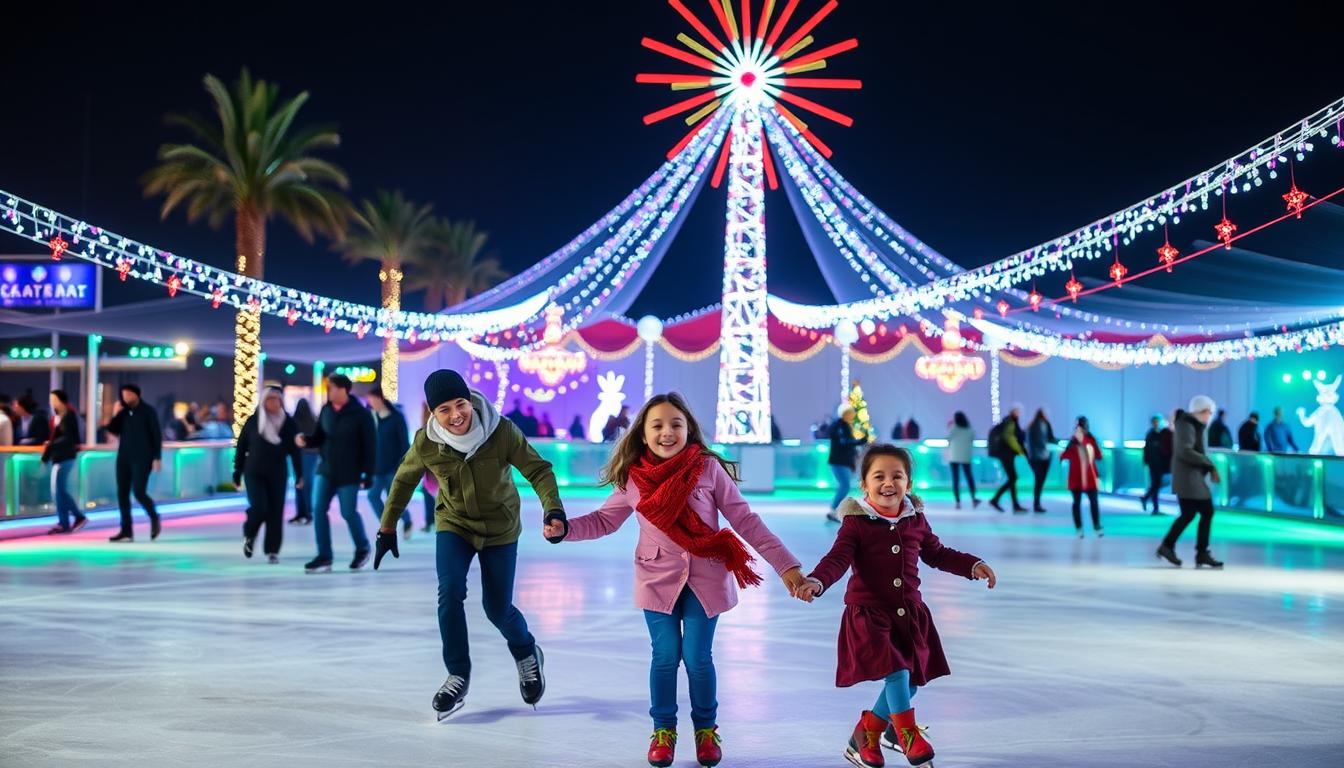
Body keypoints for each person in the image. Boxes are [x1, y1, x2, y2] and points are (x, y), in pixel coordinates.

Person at [548, 393, 806, 768]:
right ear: (643, 433)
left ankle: (705, 730)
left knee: (697, 658)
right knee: (666, 655)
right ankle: (663, 731)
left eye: (675, 425)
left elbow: (745, 520)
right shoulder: (633, 478)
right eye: (657, 425)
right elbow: (605, 521)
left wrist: (787, 567)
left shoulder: (706, 469)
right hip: (656, 578)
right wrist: (565, 529)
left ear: (688, 430)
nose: (667, 432)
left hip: (707, 578)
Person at [372, 369, 564, 722]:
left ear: (470, 401)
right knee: (449, 592)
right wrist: (387, 527)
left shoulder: (501, 430)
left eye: (460, 404)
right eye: (444, 409)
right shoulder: (427, 442)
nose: (456, 415)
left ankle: (526, 652)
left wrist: (553, 507)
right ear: (433, 414)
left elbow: (538, 470)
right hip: (455, 525)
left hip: (500, 528)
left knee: (496, 607)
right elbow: (403, 480)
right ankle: (457, 674)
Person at [795, 444, 996, 768]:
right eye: (879, 476)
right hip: (870, 615)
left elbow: (937, 553)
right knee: (898, 673)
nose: (888, 483)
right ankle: (907, 734)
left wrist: (972, 565)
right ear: (864, 485)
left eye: (897, 476)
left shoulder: (914, 519)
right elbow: (838, 559)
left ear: (909, 483)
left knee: (912, 680)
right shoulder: (856, 523)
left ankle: (867, 735)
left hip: (910, 614)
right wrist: (817, 581)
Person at [296, 373, 377, 572]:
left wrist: (368, 473)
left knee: (348, 512)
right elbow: (319, 437)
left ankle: (362, 548)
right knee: (318, 509)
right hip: (326, 470)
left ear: (342, 389)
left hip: (349, 473)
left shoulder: (361, 414)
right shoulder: (326, 410)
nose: (328, 391)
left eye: (331, 387)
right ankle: (324, 556)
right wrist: (306, 440)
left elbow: (370, 446)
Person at [232, 386, 303, 563]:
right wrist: (237, 471)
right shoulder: (253, 421)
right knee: (259, 507)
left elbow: (295, 451)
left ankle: (272, 550)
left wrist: (299, 474)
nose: (274, 403)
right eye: (270, 399)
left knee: (275, 511)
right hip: (254, 472)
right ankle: (250, 534)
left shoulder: (288, 423)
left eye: (277, 399)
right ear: (263, 402)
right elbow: (241, 447)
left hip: (277, 473)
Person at [1156, 396, 1225, 569]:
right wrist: (1210, 465)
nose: (1210, 416)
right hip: (1189, 478)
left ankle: (1170, 546)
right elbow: (1185, 451)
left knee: (1190, 513)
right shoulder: (1187, 425)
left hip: (1190, 477)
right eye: (1209, 412)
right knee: (1205, 512)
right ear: (1201, 411)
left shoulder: (1192, 425)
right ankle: (1198, 552)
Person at [105, 384, 162, 542]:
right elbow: (112, 430)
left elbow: (156, 435)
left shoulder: (148, 411)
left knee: (138, 492)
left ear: (137, 394)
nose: (126, 398)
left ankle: (154, 516)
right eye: (123, 395)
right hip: (123, 458)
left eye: (129, 395)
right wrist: (116, 413)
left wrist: (157, 457)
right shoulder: (123, 413)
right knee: (122, 493)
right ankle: (126, 530)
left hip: (143, 458)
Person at [366, 387, 413, 538]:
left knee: (392, 500)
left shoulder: (396, 418)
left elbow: (404, 444)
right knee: (373, 496)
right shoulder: (372, 418)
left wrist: (403, 466)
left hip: (393, 467)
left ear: (380, 399)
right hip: (376, 468)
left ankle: (406, 520)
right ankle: (386, 524)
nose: (371, 403)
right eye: (369, 400)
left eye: (373, 399)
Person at [42, 389, 85, 534]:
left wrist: (50, 446)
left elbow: (68, 438)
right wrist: (47, 453)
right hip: (59, 457)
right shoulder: (58, 417)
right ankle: (67, 521)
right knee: (58, 491)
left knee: (58, 491)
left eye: (53, 399)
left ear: (60, 400)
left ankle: (74, 518)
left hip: (65, 457)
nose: (51, 402)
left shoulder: (68, 415)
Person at [1060, 416, 1104, 538]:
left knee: (1092, 502)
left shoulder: (1089, 439)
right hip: (1077, 478)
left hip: (1088, 477)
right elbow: (1064, 456)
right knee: (1078, 502)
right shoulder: (1075, 442)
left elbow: (1099, 455)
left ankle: (1096, 525)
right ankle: (1080, 527)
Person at [827, 403, 870, 523]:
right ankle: (834, 510)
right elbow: (843, 442)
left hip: (843, 462)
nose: (853, 415)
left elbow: (846, 443)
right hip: (839, 462)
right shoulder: (839, 426)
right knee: (844, 485)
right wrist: (859, 442)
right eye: (851, 413)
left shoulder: (844, 425)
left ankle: (836, 510)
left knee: (845, 486)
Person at [988, 404, 1027, 513]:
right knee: (1013, 478)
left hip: (1006, 455)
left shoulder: (1008, 422)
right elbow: (1010, 438)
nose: (1019, 413)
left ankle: (1015, 505)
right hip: (1006, 455)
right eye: (1018, 411)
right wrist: (1020, 450)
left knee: (1012, 479)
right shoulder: (1010, 422)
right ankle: (995, 499)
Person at [288, 398, 318, 525]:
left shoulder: (294, 421)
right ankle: (306, 511)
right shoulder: (313, 420)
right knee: (305, 482)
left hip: (301, 455)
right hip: (310, 455)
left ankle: (303, 512)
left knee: (301, 482)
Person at [1025, 408, 1057, 513]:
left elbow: (1050, 438)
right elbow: (1039, 442)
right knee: (1039, 480)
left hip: (1043, 456)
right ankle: (1036, 503)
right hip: (1037, 457)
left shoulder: (1041, 425)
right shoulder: (1034, 426)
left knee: (1040, 480)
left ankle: (1037, 503)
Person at [946, 412, 978, 509]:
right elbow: (973, 438)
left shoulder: (953, 428)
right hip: (965, 456)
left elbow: (948, 439)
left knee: (956, 479)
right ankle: (973, 499)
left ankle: (958, 502)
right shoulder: (969, 428)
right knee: (969, 477)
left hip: (954, 456)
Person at [1140, 415, 1170, 515]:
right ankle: (1154, 507)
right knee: (1156, 484)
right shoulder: (1152, 434)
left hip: (1160, 464)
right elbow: (1147, 449)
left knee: (1156, 484)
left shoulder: (1161, 434)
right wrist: (1146, 461)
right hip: (1155, 464)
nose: (1156, 423)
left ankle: (1147, 499)